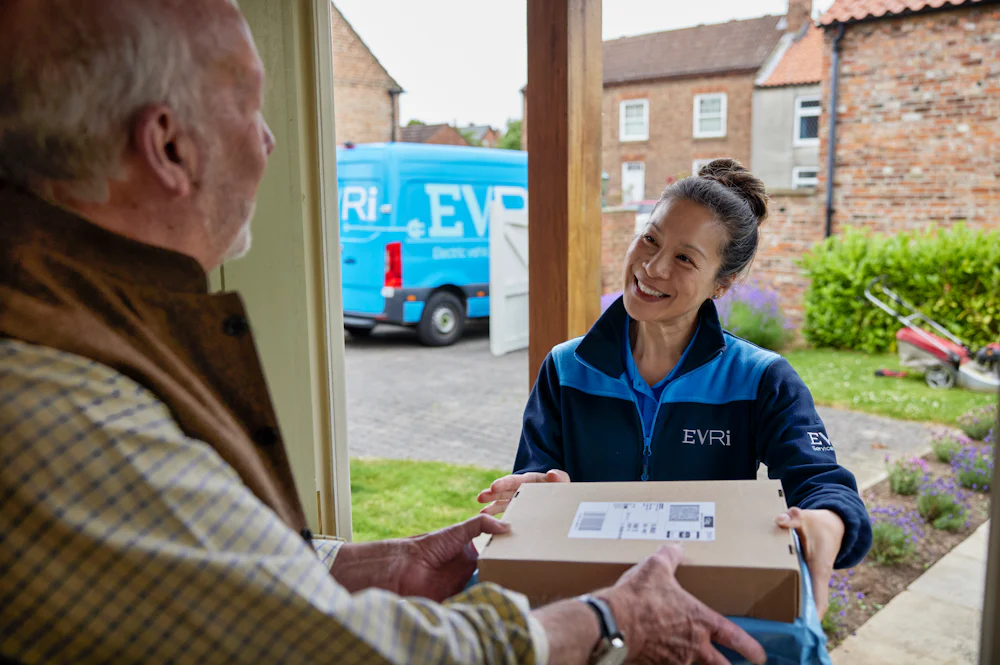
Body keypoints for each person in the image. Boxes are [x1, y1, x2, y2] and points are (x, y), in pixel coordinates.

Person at [0, 2, 767, 664]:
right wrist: (608, 618)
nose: (269, 143)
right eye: (249, 104)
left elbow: (204, 570)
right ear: (168, 145)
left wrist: (377, 563)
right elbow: (342, 654)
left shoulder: (89, 325)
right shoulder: (61, 403)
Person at [478, 160, 873, 618]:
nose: (653, 266)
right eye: (650, 238)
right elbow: (538, 473)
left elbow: (823, 483)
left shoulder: (761, 378)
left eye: (685, 258)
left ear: (721, 285)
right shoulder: (566, 368)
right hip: (587, 610)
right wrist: (538, 494)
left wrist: (829, 520)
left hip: (704, 609)